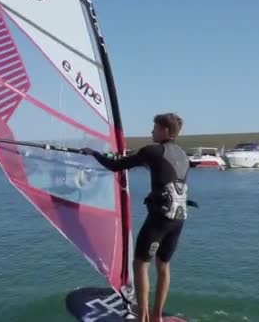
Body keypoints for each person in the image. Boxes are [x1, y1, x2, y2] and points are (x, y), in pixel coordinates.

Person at [81, 112, 194, 322]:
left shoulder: (152, 150)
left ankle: (142, 319)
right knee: (163, 266)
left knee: (141, 264)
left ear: (165, 131)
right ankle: (156, 317)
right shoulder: (182, 155)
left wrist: (94, 153)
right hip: (178, 218)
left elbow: (116, 166)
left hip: (159, 219)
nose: (151, 131)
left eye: (155, 128)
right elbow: (161, 169)